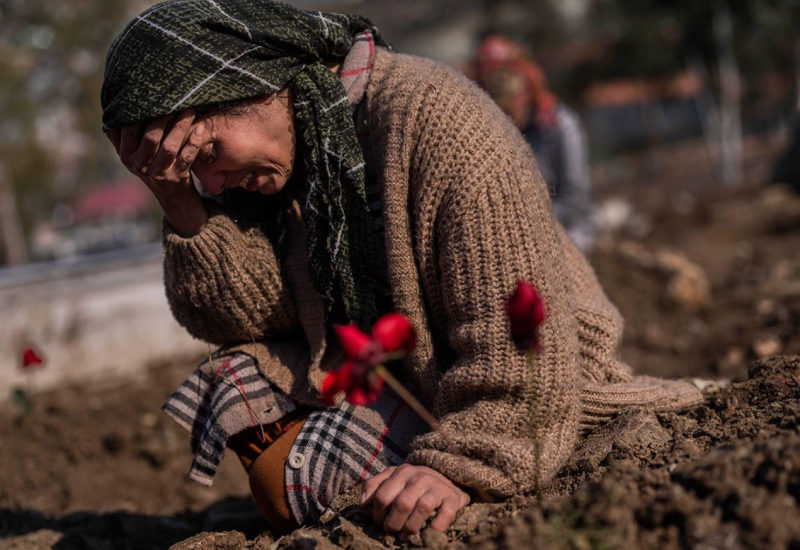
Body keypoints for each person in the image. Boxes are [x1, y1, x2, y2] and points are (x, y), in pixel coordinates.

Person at [101, 0, 702, 540]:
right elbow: (244, 315)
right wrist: (178, 201)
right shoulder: (289, 155)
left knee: (291, 486)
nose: (210, 181)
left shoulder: (436, 120)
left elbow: (523, 336)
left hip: (533, 398)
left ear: (254, 83)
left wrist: (463, 468)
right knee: (234, 380)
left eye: (207, 155)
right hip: (414, 381)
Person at [474, 35, 597, 253]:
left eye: (514, 109)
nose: (511, 118)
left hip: (570, 236)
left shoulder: (560, 125)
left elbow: (574, 196)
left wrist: (528, 229)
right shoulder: (496, 135)